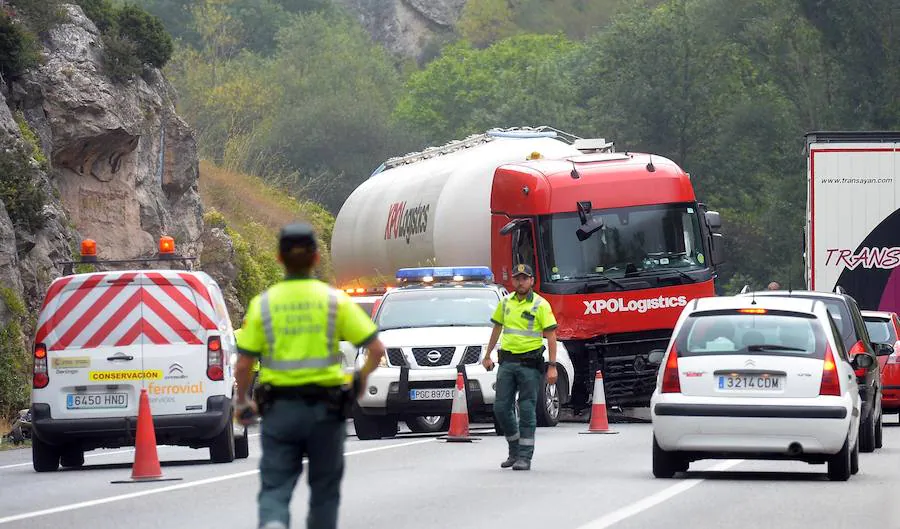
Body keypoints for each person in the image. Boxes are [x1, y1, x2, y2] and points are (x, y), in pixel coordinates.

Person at [234, 222, 386, 529]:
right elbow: (376, 350)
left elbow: (243, 364)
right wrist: (359, 380)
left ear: (279, 258)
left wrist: (242, 401)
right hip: (326, 410)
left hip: (279, 411)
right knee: (324, 492)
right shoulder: (334, 301)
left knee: (275, 486)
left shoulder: (263, 304)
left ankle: (274, 522)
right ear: (316, 258)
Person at [482, 263, 558, 471]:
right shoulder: (505, 303)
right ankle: (514, 448)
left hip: (529, 365)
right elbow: (497, 329)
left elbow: (551, 336)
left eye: (525, 278)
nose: (521, 282)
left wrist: (552, 366)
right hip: (507, 363)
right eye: (517, 278)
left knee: (526, 409)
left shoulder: (541, 305)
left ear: (532, 280)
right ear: (513, 280)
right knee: (500, 408)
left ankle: (525, 456)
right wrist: (487, 355)